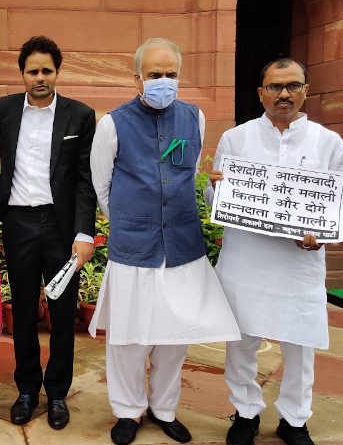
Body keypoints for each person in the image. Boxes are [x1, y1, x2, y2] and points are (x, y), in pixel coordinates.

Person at [89, 37, 241, 445]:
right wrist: (134, 218)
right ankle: (128, 411)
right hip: (134, 248)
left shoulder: (196, 118)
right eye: (154, 75)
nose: (163, 81)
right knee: (129, 338)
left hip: (182, 245)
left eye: (170, 75)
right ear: (136, 77)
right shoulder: (112, 124)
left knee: (174, 338)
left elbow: (188, 173)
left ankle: (164, 408)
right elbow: (101, 187)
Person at [211, 58, 343, 445]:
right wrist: (218, 189)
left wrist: (325, 232)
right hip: (246, 262)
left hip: (299, 264)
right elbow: (218, 200)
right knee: (241, 343)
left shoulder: (328, 143)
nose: (284, 94)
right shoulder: (236, 139)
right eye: (275, 87)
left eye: (292, 85)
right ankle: (245, 413)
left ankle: (295, 419)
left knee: (301, 345)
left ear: (306, 90)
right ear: (261, 92)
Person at [0, 35, 96, 430]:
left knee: (62, 314)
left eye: (47, 70)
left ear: (57, 72)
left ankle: (57, 394)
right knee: (24, 311)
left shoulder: (79, 115)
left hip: (61, 230)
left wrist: (84, 232)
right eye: (32, 71)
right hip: (19, 224)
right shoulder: (4, 110)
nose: (39, 77)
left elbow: (84, 180)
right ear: (22, 74)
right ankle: (27, 389)